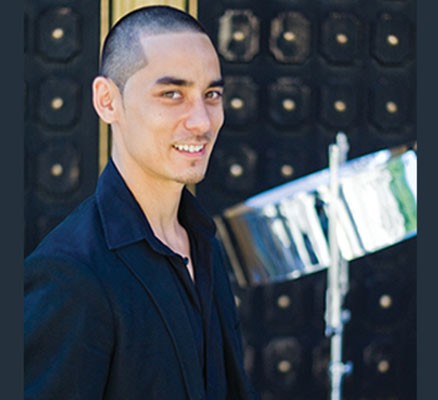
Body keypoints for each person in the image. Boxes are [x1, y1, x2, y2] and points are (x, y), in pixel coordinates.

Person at [24, 5, 258, 399]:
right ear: (107, 101)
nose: (202, 121)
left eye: (211, 94)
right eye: (172, 94)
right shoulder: (69, 275)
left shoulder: (205, 247)